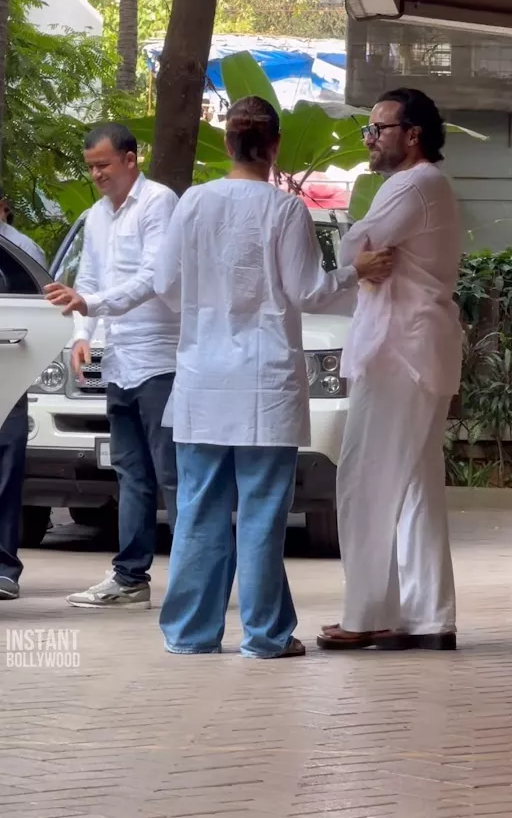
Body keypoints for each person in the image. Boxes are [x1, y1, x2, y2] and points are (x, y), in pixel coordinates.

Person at [153, 95, 394, 658]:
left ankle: (190, 633)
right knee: (262, 513)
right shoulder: (284, 210)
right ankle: (265, 635)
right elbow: (308, 291)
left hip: (202, 379)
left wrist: (208, 307)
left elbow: (166, 285)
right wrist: (354, 271)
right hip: (265, 382)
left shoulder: (192, 203)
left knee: (198, 510)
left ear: (227, 142)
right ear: (275, 145)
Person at [317, 88, 463, 653]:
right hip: (415, 351)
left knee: (366, 478)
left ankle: (368, 615)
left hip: (397, 353)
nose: (369, 139)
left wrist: (360, 252)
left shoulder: (412, 185)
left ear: (413, 134)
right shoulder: (427, 185)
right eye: (369, 129)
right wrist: (363, 258)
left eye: (379, 129)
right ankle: (426, 618)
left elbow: (356, 245)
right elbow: (364, 255)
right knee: (416, 488)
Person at [45, 124, 179, 609]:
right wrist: (83, 335)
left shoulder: (159, 202)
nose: (97, 174)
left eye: (103, 164)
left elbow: (154, 276)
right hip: (119, 359)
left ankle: (195, 580)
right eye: (91, 167)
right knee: (130, 473)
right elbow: (87, 278)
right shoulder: (96, 216)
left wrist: (93, 304)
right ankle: (130, 577)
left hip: (161, 359)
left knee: (173, 474)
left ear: (130, 159)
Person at [0, 189, 46, 600]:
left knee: (7, 469)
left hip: (9, 370)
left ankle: (3, 569)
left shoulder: (22, 253)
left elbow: (44, 312)